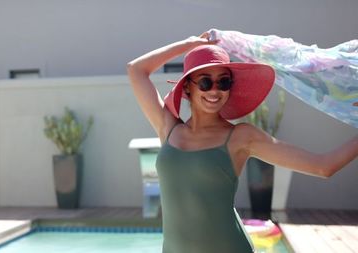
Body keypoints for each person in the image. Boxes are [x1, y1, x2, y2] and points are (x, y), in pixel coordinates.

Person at [126, 31, 358, 253]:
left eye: (223, 82)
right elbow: (136, 70)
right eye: (205, 82)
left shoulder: (241, 137)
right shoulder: (168, 127)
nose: (215, 90)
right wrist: (190, 44)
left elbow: (323, 166)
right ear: (187, 86)